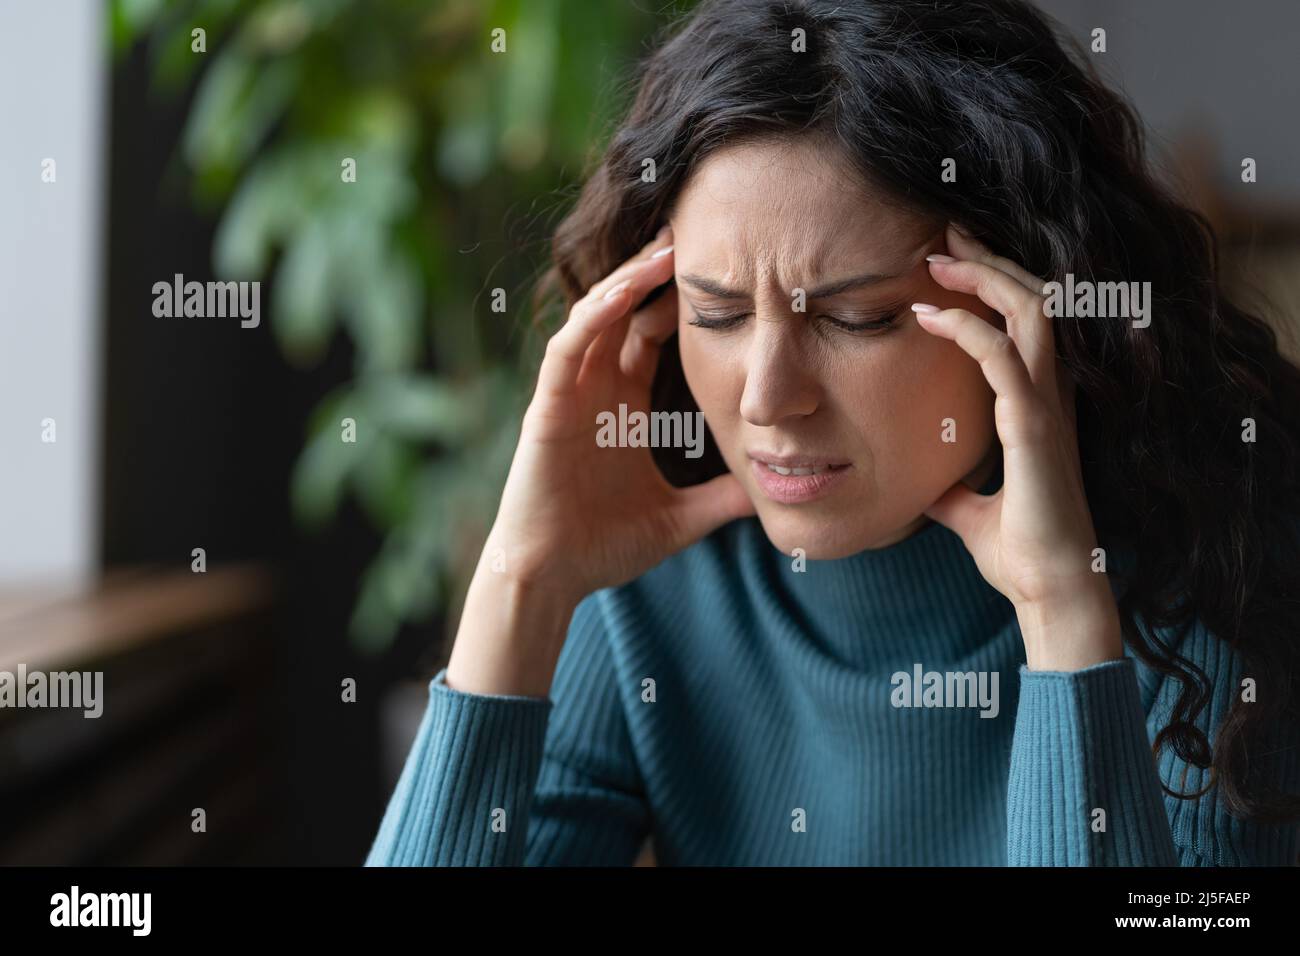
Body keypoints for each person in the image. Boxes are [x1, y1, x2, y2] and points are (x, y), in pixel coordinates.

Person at [365, 0, 1300, 865]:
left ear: (1026, 305)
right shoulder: (651, 592)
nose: (769, 398)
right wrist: (521, 585)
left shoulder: (1214, 584)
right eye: (719, 314)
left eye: (857, 320)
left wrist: (1065, 615)